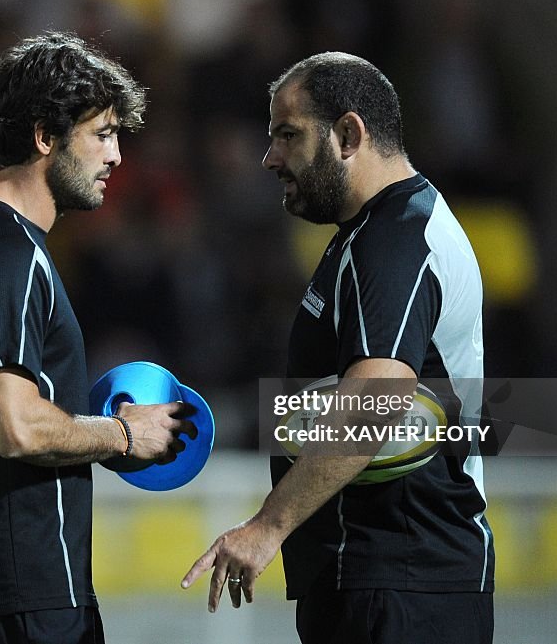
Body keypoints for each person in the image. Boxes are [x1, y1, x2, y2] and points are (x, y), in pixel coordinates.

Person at [182, 52, 494, 643]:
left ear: (349, 134)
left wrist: (268, 526)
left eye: (288, 135)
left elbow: (378, 393)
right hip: (379, 577)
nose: (270, 157)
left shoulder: (396, 240)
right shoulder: (371, 233)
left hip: (402, 583)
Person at [0, 32, 195, 644]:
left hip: (9, 589)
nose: (117, 156)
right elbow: (14, 427)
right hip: (17, 592)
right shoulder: (4, 252)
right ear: (45, 137)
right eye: (102, 133)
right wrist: (125, 433)